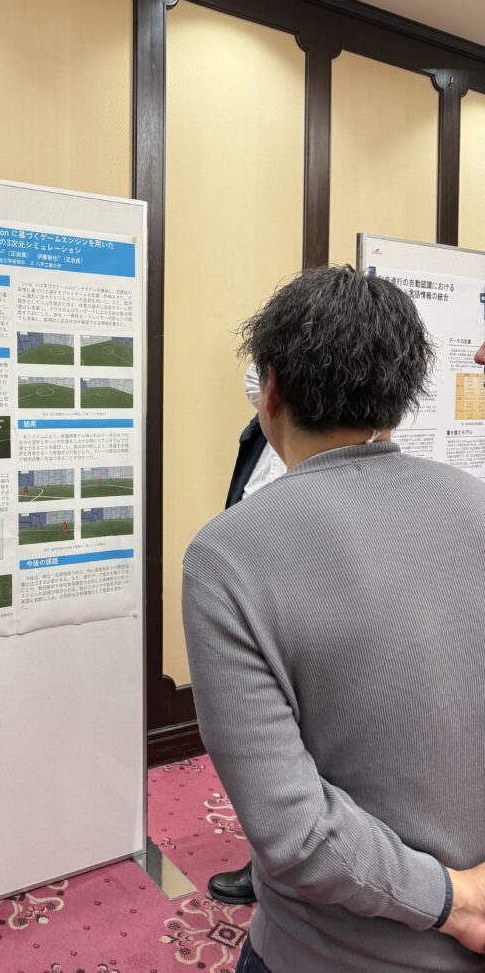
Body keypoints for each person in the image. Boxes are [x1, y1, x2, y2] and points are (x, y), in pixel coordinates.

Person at [183, 266, 485, 972]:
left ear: (271, 390)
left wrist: (457, 903)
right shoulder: (476, 504)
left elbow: (292, 829)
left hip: (327, 952)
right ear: (403, 393)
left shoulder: (225, 554)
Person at [207, 366, 286, 907]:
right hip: (254, 586)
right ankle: (269, 860)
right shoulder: (258, 430)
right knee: (262, 739)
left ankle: (281, 868)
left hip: (297, 593)